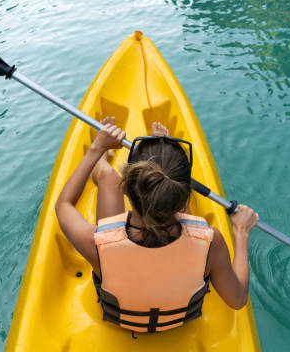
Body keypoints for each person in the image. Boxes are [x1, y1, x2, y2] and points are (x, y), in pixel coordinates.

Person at [55, 117, 259, 333]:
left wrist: (96, 148)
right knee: (181, 222)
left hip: (122, 322)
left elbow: (63, 205)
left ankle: (103, 162)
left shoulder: (95, 242)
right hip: (179, 322)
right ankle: (160, 168)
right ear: (184, 200)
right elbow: (237, 299)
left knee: (107, 176)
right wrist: (241, 231)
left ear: (124, 189)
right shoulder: (211, 241)